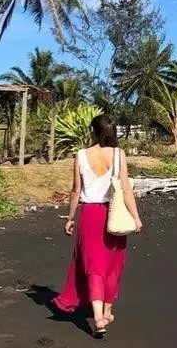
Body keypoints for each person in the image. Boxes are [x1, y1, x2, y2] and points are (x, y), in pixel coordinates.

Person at [52, 114, 142, 337]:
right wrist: (136, 217)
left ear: (93, 131)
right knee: (112, 265)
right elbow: (126, 190)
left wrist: (70, 218)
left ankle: (99, 317)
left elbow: (75, 190)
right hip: (112, 214)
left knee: (94, 267)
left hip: (89, 214)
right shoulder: (119, 155)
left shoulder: (81, 155)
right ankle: (105, 312)